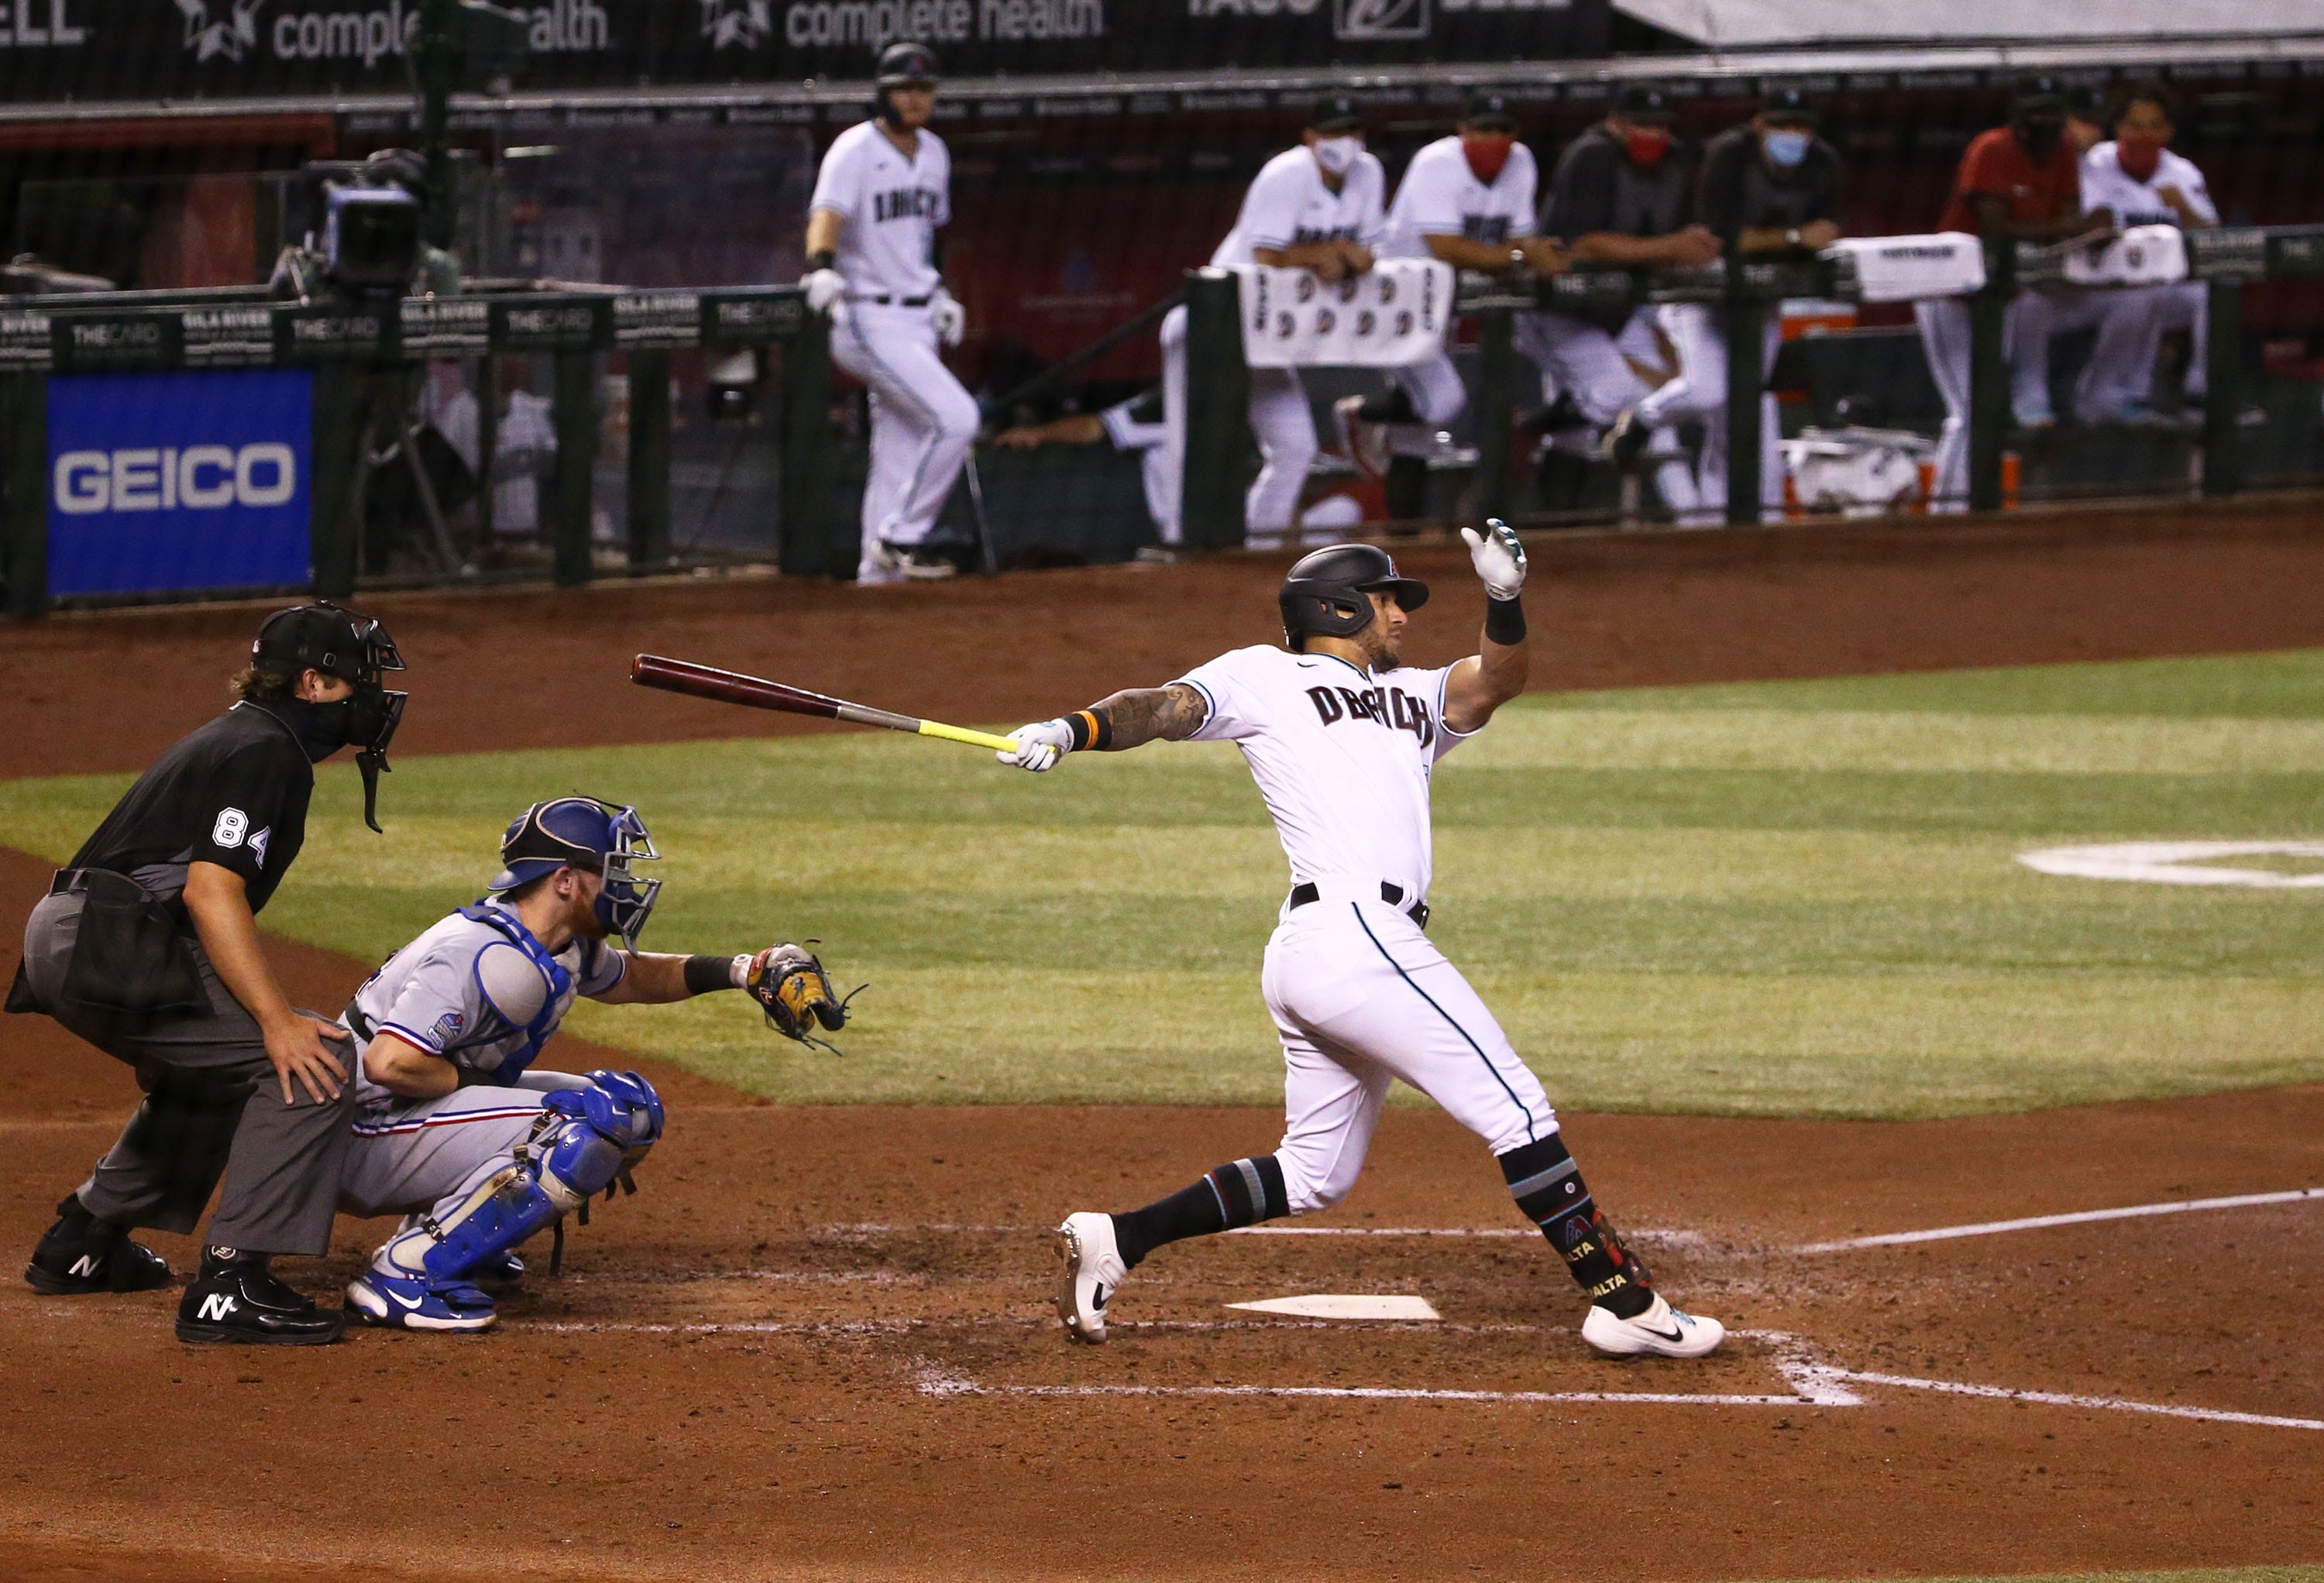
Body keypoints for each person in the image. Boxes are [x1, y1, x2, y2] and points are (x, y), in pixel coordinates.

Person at [996, 524, 1725, 1359]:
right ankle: (1626, 1301)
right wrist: (1069, 728)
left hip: (1332, 951)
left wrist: (1506, 599)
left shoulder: (1412, 696)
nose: (1403, 615)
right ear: (1338, 605)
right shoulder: (1265, 675)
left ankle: (1117, 1239)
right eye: (1389, 600)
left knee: (1314, 1173)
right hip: (1353, 937)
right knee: (1516, 1106)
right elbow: (1162, 708)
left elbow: (1496, 681)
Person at [9, 604, 407, 1345]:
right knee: (308, 1061)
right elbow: (211, 889)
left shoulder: (250, 735)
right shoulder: (266, 749)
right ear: (314, 683)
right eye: (362, 678)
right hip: (112, 938)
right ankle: (230, 1283)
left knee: (221, 1070)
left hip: (89, 931)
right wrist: (276, 1023)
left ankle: (85, 1241)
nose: (375, 696)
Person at [337, 797, 851, 1331]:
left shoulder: (558, 945)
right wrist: (493, 1093)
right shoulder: (477, 952)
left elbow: (632, 978)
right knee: (577, 1127)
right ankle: (404, 1275)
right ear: (565, 880)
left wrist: (744, 970)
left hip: (405, 1117)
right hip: (355, 1135)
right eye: (612, 872)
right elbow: (390, 1063)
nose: (624, 888)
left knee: (631, 1113)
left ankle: (465, 1240)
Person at [1158, 95, 1388, 550]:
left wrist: (1345, 260)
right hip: (1215, 322)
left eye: (1350, 132)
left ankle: (1258, 546)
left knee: (1295, 446)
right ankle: (1179, 548)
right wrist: (1325, 255)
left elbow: (1369, 251)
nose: (1342, 143)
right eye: (1331, 132)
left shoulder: (1369, 173)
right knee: (1190, 443)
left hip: (1265, 334)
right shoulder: (1287, 174)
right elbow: (1267, 255)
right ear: (1309, 138)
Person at [1604, 87, 1842, 524]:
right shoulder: (1729, 155)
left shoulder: (1822, 163)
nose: (1793, 134)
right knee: (1710, 390)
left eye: (1801, 126)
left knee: (1742, 411)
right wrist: (1791, 238)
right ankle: (1641, 419)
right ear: (1760, 125)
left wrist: (1793, 243)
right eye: (1782, 124)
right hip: (1697, 296)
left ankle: (1719, 524)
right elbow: (1715, 239)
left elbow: (1824, 233)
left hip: (1759, 301)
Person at [1334, 90, 1566, 522]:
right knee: (1442, 402)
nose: (1494, 139)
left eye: (1503, 131)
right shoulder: (1437, 163)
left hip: (1443, 302)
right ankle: (1360, 413)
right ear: (1463, 131)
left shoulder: (1520, 163)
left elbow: (1518, 236)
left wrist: (1534, 252)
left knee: (1414, 437)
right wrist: (1520, 258)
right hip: (1397, 299)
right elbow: (1446, 247)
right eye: (1483, 130)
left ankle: (1406, 534)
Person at [799, 41, 975, 585]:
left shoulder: (935, 153)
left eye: (924, 89)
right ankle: (902, 536)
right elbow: (826, 216)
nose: (916, 98)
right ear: (883, 92)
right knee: (957, 418)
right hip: (867, 315)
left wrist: (940, 292)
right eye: (905, 88)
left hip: (917, 315)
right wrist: (821, 268)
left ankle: (876, 583)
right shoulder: (855, 148)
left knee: (901, 449)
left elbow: (925, 235)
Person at [1916, 77, 2113, 506]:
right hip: (1949, 292)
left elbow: (2065, 220)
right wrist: (2073, 228)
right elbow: (1994, 226)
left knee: (1986, 408)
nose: (2045, 122)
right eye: (2035, 113)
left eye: (2052, 113)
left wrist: (2088, 233)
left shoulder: (2062, 151)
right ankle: (1946, 511)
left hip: (2001, 295)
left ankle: (1973, 506)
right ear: (2016, 118)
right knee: (1969, 410)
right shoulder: (1993, 148)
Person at [1534, 84, 1724, 519]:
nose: (1653, 134)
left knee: (1637, 407)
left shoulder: (1676, 159)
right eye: (1642, 124)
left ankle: (1691, 523)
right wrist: (1669, 247)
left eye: (1660, 125)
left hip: (1625, 308)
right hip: (1559, 308)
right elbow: (1584, 245)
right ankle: (1519, 432)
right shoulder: (1592, 155)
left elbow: (1677, 238)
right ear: (1615, 123)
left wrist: (1693, 247)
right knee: (1609, 396)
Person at [2078, 81, 2223, 422]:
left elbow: (2215, 238)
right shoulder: (2096, 165)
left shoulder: (2182, 173)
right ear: (2119, 128)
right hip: (2099, 283)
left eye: (2155, 126)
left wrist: (2185, 211)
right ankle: (2107, 392)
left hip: (2158, 286)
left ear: (2168, 131)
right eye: (2135, 126)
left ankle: (2200, 389)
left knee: (2214, 288)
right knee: (2141, 290)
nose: (2144, 135)